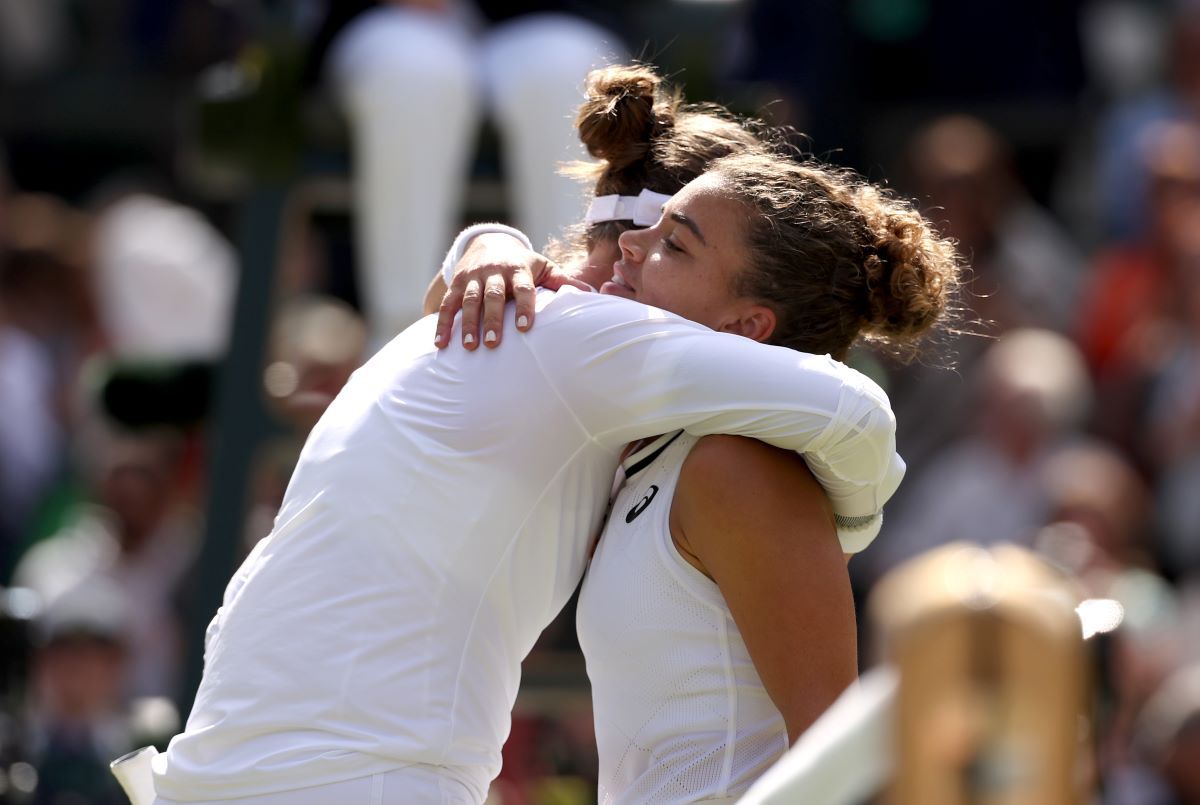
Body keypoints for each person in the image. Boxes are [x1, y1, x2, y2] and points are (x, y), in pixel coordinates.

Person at [150, 77, 907, 805]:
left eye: (678, 243)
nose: (648, 248)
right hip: (348, 780)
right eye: (660, 231)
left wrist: (482, 240)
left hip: (243, 768)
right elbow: (855, 412)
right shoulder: (584, 337)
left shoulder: (551, 341)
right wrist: (849, 522)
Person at [433, 65, 961, 802]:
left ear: (746, 326)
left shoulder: (736, 468)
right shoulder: (655, 452)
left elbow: (843, 757)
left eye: (675, 245)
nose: (631, 247)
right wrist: (490, 241)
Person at [306, 0, 627, 344]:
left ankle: (573, 326)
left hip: (548, 17)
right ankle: (404, 341)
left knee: (566, 72)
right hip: (390, 19)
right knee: (413, 73)